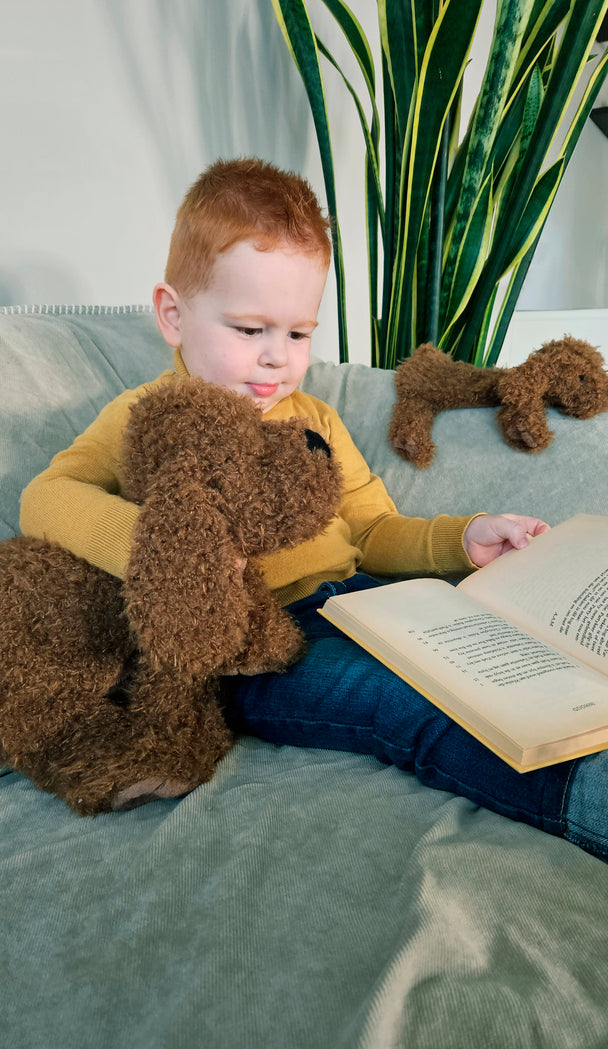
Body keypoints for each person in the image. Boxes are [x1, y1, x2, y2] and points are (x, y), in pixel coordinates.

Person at [19, 158, 605, 861]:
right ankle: (585, 798)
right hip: (257, 645)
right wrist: (162, 546)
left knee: (517, 674)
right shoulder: (143, 415)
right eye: (249, 330)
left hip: (370, 602)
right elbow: (44, 498)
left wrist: (463, 538)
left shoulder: (315, 418)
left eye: (298, 334)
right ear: (174, 315)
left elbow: (372, 528)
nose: (275, 360)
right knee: (399, 707)